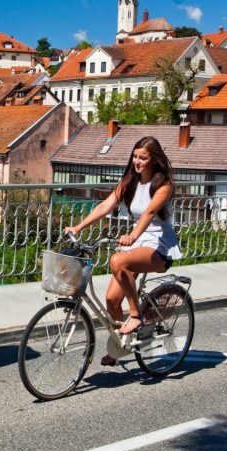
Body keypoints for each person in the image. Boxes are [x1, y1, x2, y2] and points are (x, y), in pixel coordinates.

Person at [63, 135, 182, 366]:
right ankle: (122, 344)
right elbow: (105, 205)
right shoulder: (130, 181)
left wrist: (132, 236)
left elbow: (148, 214)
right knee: (111, 300)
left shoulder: (163, 185)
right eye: (135, 156)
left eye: (143, 158)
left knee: (117, 261)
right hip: (136, 244)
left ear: (154, 160)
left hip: (159, 246)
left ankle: (136, 316)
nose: (138, 162)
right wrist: (78, 227)